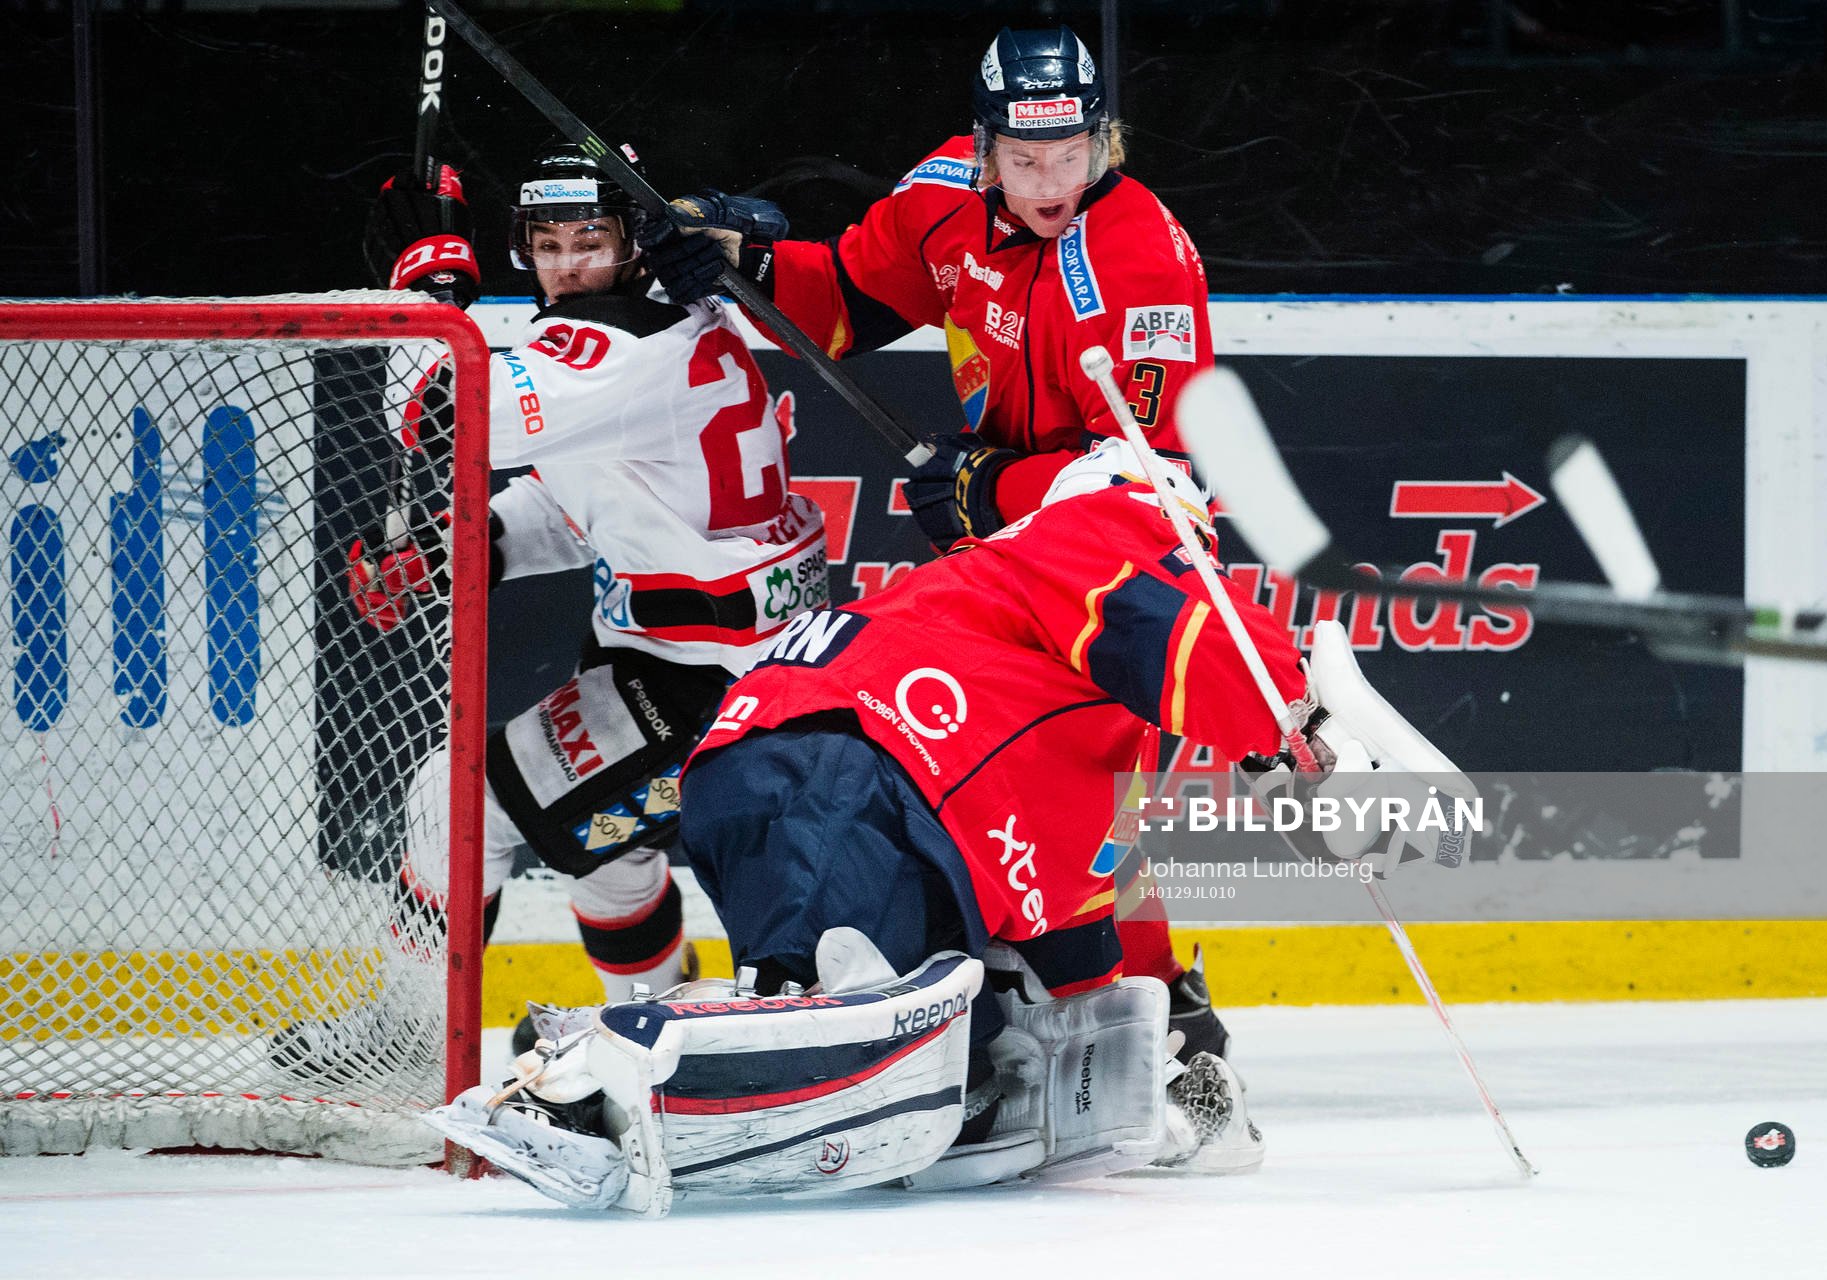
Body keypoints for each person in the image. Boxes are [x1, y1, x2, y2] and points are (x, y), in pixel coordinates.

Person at [425, 438, 1472, 1214]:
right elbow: (1188, 632)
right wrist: (1296, 735)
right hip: (844, 763)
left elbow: (1087, 889)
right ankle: (574, 1065)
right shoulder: (1098, 530)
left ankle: (714, 1066)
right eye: (1191, 538)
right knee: (822, 998)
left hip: (809, 776)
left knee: (898, 1035)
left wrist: (1138, 1045)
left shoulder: (1057, 683)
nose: (1194, 552)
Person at [638, 24, 1225, 1061]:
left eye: (1071, 154)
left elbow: (1153, 474)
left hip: (1117, 549)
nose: (1050, 182)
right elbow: (844, 300)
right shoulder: (942, 198)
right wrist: (741, 263)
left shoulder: (1143, 259)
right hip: (996, 554)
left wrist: (990, 483)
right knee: (966, 761)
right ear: (985, 144)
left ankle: (1168, 1013)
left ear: (1104, 142)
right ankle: (991, 998)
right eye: (1025, 158)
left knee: (1090, 779)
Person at [270, 144, 827, 1079]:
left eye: (592, 239)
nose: (568, 265)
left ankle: (407, 1040)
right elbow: (595, 499)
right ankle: (651, 1032)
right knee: (611, 852)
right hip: (712, 659)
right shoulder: (675, 323)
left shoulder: (613, 347)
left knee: (457, 799)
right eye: (547, 242)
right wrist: (456, 547)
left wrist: (428, 299)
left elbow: (450, 415)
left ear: (636, 243)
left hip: (713, 684)